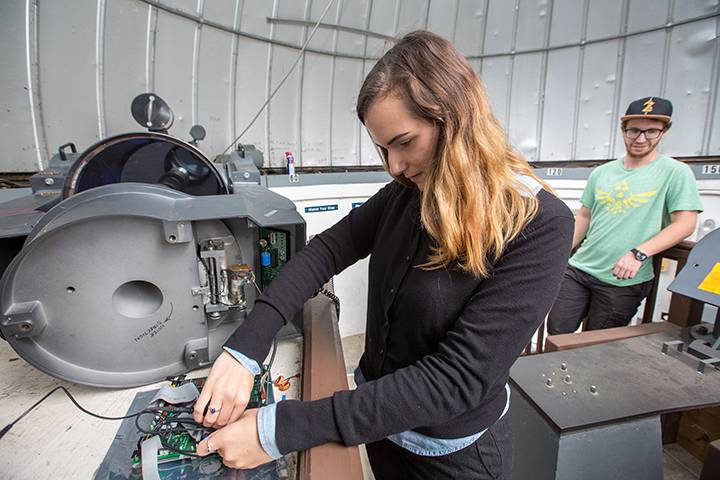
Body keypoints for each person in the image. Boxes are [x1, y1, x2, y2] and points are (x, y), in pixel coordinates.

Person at [192, 31, 573, 479]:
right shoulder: (407, 191)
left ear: (455, 120)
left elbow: (457, 379)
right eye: (383, 148)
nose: (393, 166)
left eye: (404, 142)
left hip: (453, 457)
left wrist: (281, 428)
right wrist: (245, 349)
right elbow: (327, 251)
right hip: (381, 428)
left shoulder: (537, 223)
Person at [547, 97, 703, 335]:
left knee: (597, 344)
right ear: (623, 130)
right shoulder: (602, 172)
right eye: (634, 130)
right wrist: (559, 254)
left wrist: (639, 253)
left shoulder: (676, 173)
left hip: (622, 279)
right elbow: (584, 217)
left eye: (651, 131)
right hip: (579, 269)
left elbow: (685, 224)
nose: (640, 138)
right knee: (557, 330)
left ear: (664, 131)